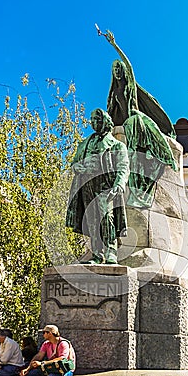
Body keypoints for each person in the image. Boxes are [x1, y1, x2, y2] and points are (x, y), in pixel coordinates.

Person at [97, 27, 177, 208]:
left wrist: (114, 45)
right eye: (114, 68)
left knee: (153, 134)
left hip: (136, 119)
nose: (117, 70)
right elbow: (111, 115)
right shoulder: (114, 92)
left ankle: (161, 154)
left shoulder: (129, 86)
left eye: (119, 67)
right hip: (125, 126)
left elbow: (130, 66)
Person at [66, 108, 129, 264]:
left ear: (105, 122)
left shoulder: (116, 145)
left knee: (106, 218)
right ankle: (96, 254)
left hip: (105, 186)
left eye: (97, 120)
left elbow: (123, 167)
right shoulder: (84, 144)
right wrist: (76, 168)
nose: (94, 123)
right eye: (92, 120)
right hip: (86, 185)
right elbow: (74, 163)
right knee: (92, 220)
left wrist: (119, 184)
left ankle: (111, 252)